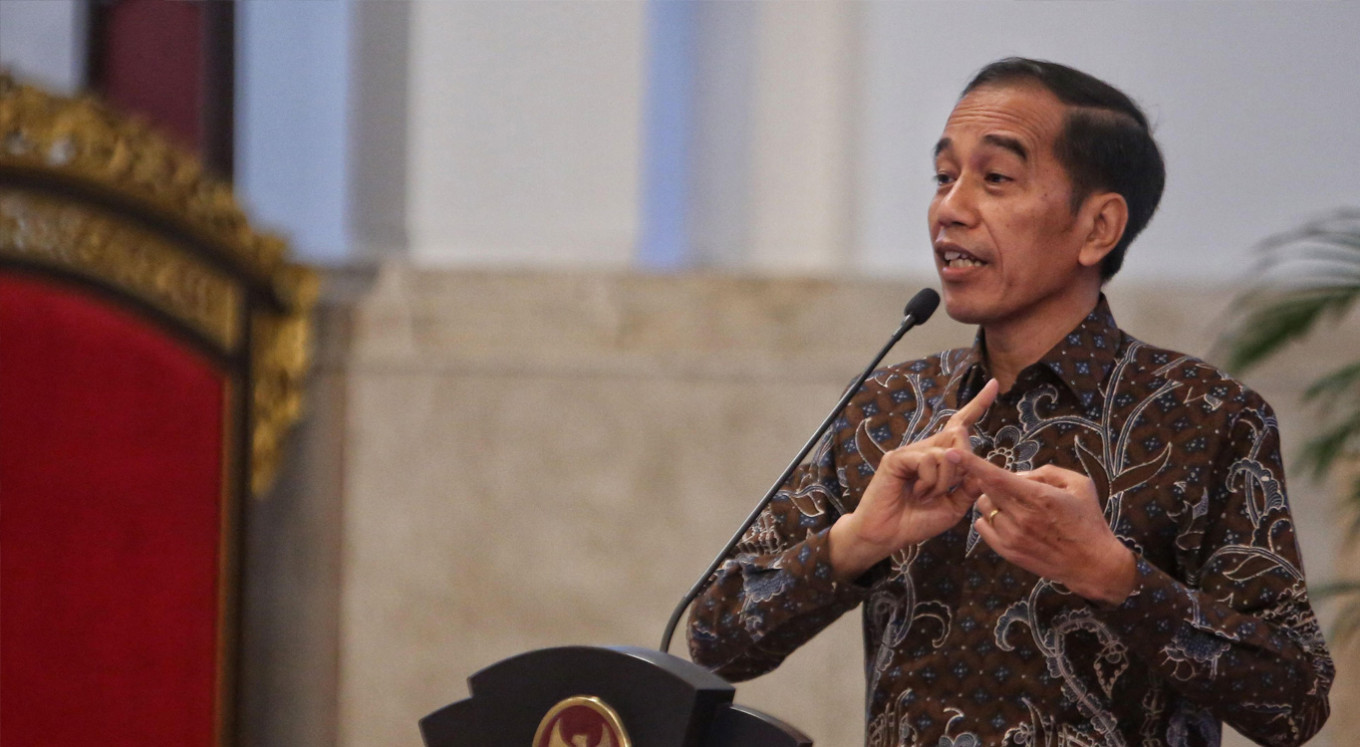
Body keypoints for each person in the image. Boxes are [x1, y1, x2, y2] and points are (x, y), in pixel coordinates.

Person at [687, 58, 1333, 747]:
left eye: (995, 178)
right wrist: (856, 543)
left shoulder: (1207, 415)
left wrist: (1117, 578)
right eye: (944, 176)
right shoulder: (889, 406)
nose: (951, 208)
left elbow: (1294, 702)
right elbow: (715, 639)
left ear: (1098, 227)